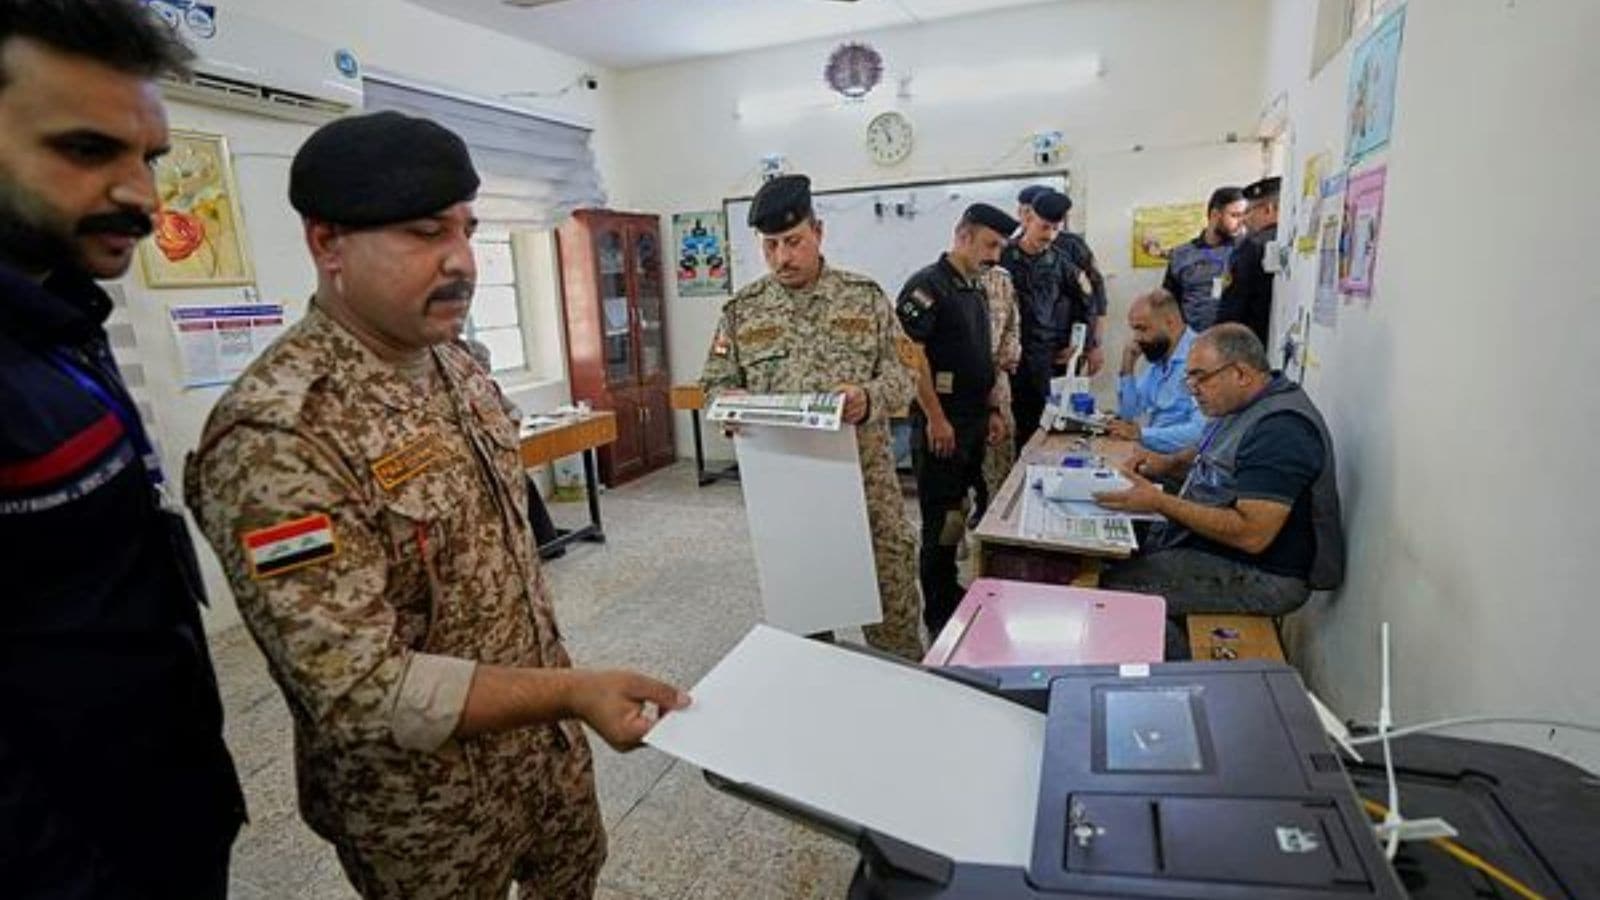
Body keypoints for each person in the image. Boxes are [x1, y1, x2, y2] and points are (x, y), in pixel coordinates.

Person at [185, 111, 689, 899]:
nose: (461, 261)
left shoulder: (452, 362)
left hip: (546, 757)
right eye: (425, 234)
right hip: (428, 812)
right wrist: (569, 689)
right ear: (327, 245)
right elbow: (359, 689)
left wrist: (556, 704)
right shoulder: (280, 434)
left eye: (466, 229)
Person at [0, 2, 246, 896]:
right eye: (85, 150)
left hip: (161, 803)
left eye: (149, 157)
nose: (143, 194)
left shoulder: (62, 312)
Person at [701, 173, 924, 661]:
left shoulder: (864, 297)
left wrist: (868, 398)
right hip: (789, 503)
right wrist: (729, 406)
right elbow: (713, 386)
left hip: (870, 496)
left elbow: (905, 375)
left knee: (895, 630)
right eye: (771, 246)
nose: (784, 257)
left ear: (818, 232)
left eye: (794, 241)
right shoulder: (742, 312)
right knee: (804, 639)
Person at [1095, 325, 1346, 658]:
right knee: (1107, 560)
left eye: (1200, 378)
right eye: (1189, 379)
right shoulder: (1243, 405)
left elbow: (1251, 534)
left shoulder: (1282, 430)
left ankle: (1185, 680)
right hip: (1219, 550)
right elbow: (1208, 452)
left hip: (1265, 575)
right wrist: (1165, 464)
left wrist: (1159, 502)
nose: (1193, 390)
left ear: (1240, 373)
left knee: (1110, 591)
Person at [896, 203, 1018, 637]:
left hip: (971, 420)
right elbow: (912, 356)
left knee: (961, 508)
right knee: (941, 522)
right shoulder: (928, 286)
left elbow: (979, 357)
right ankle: (939, 613)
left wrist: (991, 411)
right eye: (989, 245)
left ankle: (951, 594)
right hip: (942, 425)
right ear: (962, 236)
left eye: (1000, 247)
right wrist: (936, 418)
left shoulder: (976, 288)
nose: (995, 256)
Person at [1001, 188, 1094, 453]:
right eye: (1044, 227)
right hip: (1009, 360)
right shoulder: (1003, 257)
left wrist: (1079, 345)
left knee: (1044, 426)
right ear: (1028, 220)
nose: (1049, 235)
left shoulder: (1062, 264)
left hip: (1045, 359)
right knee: (1010, 428)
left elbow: (1086, 302)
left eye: (1055, 229)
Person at [462, 337, 565, 560]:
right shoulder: (460, 393)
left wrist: (509, 425)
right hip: (482, 463)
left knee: (525, 484)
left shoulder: (490, 387)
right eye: (481, 362)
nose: (486, 368)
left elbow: (515, 410)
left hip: (502, 455)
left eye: (488, 363)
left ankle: (547, 543)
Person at [1017, 184, 1108, 374]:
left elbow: (1094, 295)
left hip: (1061, 345)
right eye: (1022, 210)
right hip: (1020, 348)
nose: (1024, 216)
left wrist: (1092, 344)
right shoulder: (1007, 250)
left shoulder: (1071, 247)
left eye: (1029, 210)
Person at [1108, 288, 1207, 453]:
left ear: (1170, 322)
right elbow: (1129, 413)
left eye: (1143, 329)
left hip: (1181, 464)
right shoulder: (1160, 359)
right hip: (1155, 454)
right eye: (1134, 329)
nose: (1136, 338)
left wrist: (1141, 434)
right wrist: (1127, 366)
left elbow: (1200, 432)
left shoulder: (1201, 358)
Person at [1161, 186, 1246, 330]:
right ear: (1214, 215)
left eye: (1244, 216)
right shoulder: (1182, 255)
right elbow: (1168, 303)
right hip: (1192, 341)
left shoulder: (1245, 252)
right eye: (1235, 215)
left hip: (1232, 341)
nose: (1241, 222)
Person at [1216, 175, 1282, 347]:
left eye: (1249, 211)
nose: (1244, 219)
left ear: (1268, 209)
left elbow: (1232, 308)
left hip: (1251, 346)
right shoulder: (1292, 242)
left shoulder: (1252, 246)